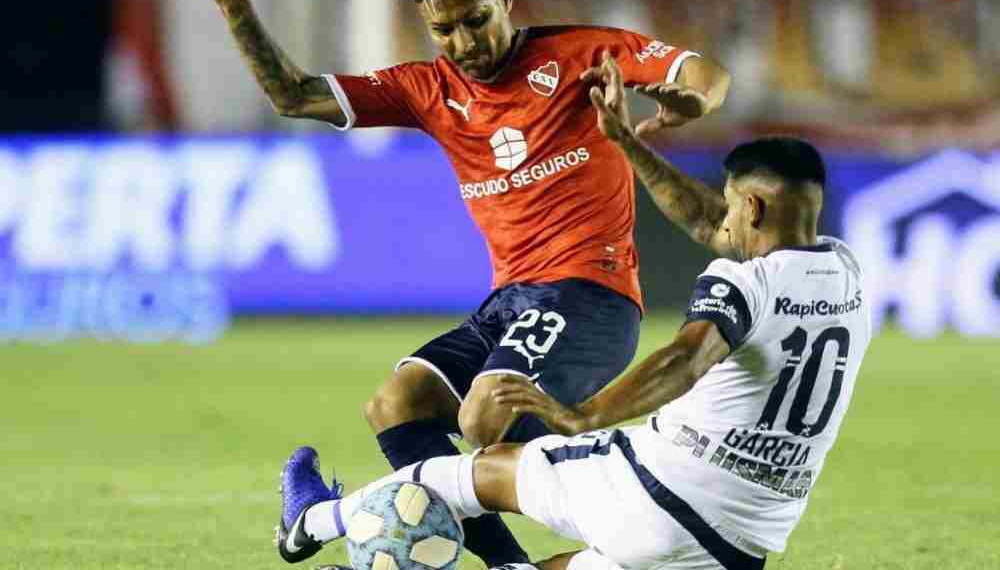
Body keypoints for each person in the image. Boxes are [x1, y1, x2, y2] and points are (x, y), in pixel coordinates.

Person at [195, 0, 731, 565]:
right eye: (443, 29)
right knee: (397, 404)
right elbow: (293, 95)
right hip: (507, 303)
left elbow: (707, 78)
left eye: (476, 20)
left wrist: (681, 102)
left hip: (590, 296)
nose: (466, 43)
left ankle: (645, 495)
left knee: (487, 414)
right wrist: (235, 5)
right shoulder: (425, 88)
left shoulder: (582, 51)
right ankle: (507, 564)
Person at [277, 55, 873, 570]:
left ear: (753, 206)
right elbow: (707, 219)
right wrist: (628, 144)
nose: (725, 221)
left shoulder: (746, 281)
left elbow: (685, 359)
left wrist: (579, 416)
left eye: (734, 209)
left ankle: (313, 520)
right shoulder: (846, 274)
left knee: (473, 472)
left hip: (657, 490)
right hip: (737, 544)